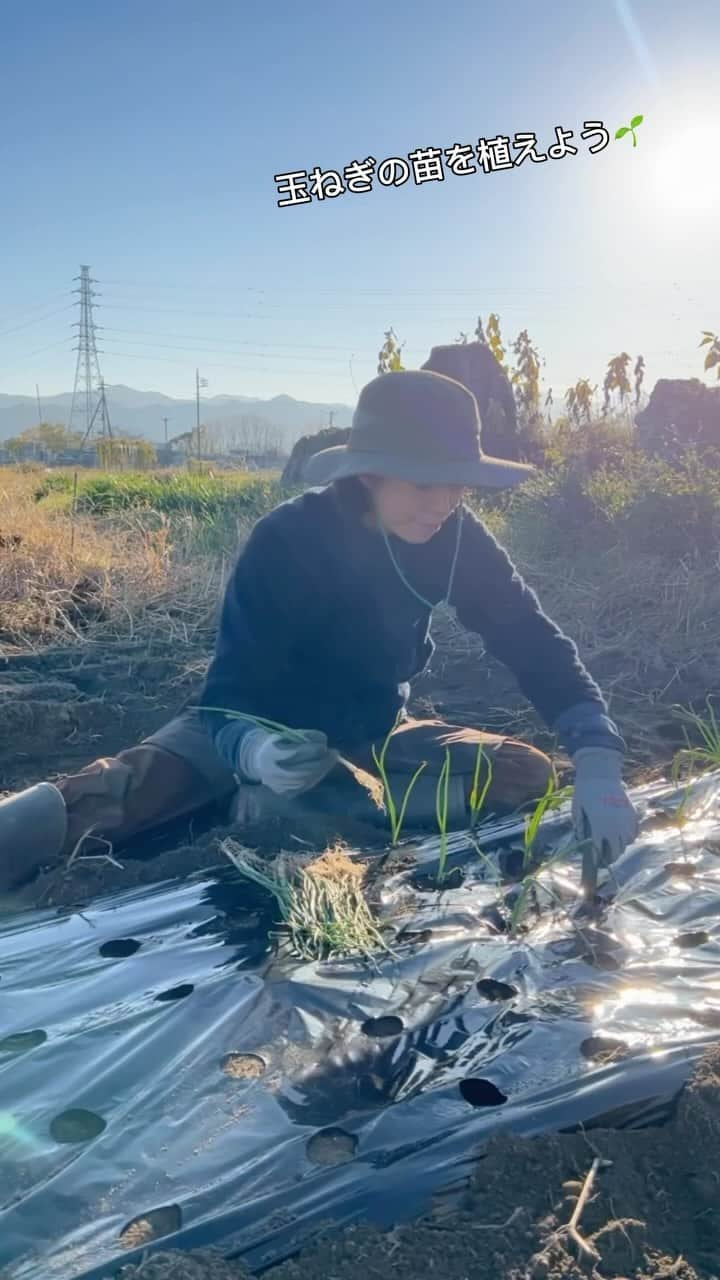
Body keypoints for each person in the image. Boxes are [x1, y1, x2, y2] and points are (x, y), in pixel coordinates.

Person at [0, 369, 638, 893]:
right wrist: (253, 751)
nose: (442, 502)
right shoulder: (287, 539)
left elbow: (531, 640)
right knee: (85, 805)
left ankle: (277, 810)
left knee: (525, 773)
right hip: (248, 727)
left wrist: (597, 756)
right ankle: (265, 796)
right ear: (369, 473)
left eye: (458, 484)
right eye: (422, 482)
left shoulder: (456, 539)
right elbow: (228, 694)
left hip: (369, 736)